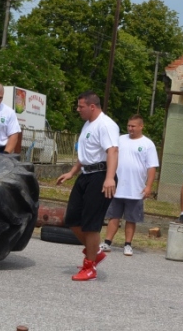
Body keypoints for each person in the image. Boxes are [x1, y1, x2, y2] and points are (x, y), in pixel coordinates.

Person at [56, 91, 119, 281]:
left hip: (100, 175)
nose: (78, 110)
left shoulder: (106, 125)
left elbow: (113, 151)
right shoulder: (87, 124)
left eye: (80, 106)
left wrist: (109, 178)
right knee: (72, 218)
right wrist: (72, 172)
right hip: (85, 174)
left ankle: (90, 267)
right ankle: (96, 252)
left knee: (91, 224)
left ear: (92, 106)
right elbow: (85, 154)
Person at [101, 114, 159, 256]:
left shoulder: (147, 144)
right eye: (128, 126)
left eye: (133, 126)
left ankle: (128, 245)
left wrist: (148, 186)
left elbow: (152, 167)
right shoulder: (119, 140)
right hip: (117, 187)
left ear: (141, 126)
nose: (130, 128)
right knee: (113, 216)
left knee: (131, 219)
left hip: (135, 188)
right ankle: (107, 242)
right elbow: (110, 156)